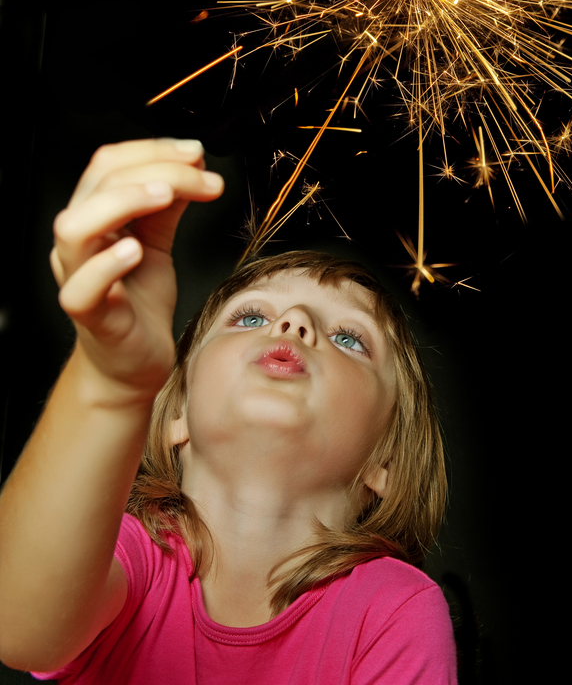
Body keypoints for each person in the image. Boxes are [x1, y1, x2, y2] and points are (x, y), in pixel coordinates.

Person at [0, 138, 456, 683]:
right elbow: (16, 627)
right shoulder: (129, 556)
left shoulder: (396, 611)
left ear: (386, 459)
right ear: (179, 416)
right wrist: (111, 377)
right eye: (248, 318)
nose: (294, 322)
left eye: (348, 338)